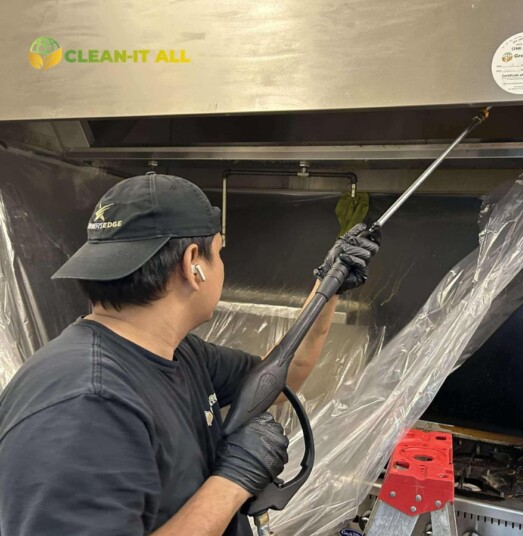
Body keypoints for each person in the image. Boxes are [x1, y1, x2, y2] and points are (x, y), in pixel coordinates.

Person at [0, 174, 380, 536]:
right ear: (192, 263)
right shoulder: (86, 404)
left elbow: (283, 377)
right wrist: (234, 481)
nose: (222, 266)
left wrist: (327, 287)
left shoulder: (179, 353)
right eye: (220, 252)